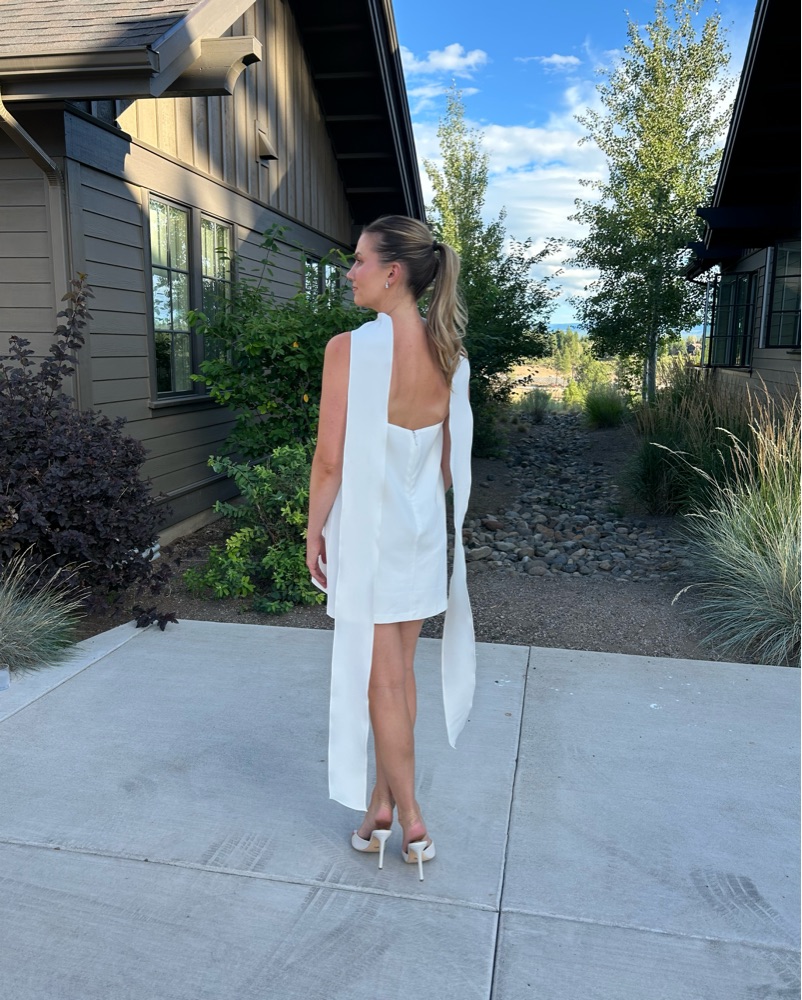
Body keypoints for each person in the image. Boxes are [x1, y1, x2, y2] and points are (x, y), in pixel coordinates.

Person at [305, 215, 476, 880]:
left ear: (392, 272)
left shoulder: (349, 350)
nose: (350, 272)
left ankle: (412, 817)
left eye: (359, 261)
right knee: (398, 677)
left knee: (383, 682)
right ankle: (378, 810)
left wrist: (313, 531)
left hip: (370, 536)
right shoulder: (450, 356)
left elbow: (329, 462)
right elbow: (447, 467)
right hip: (420, 533)